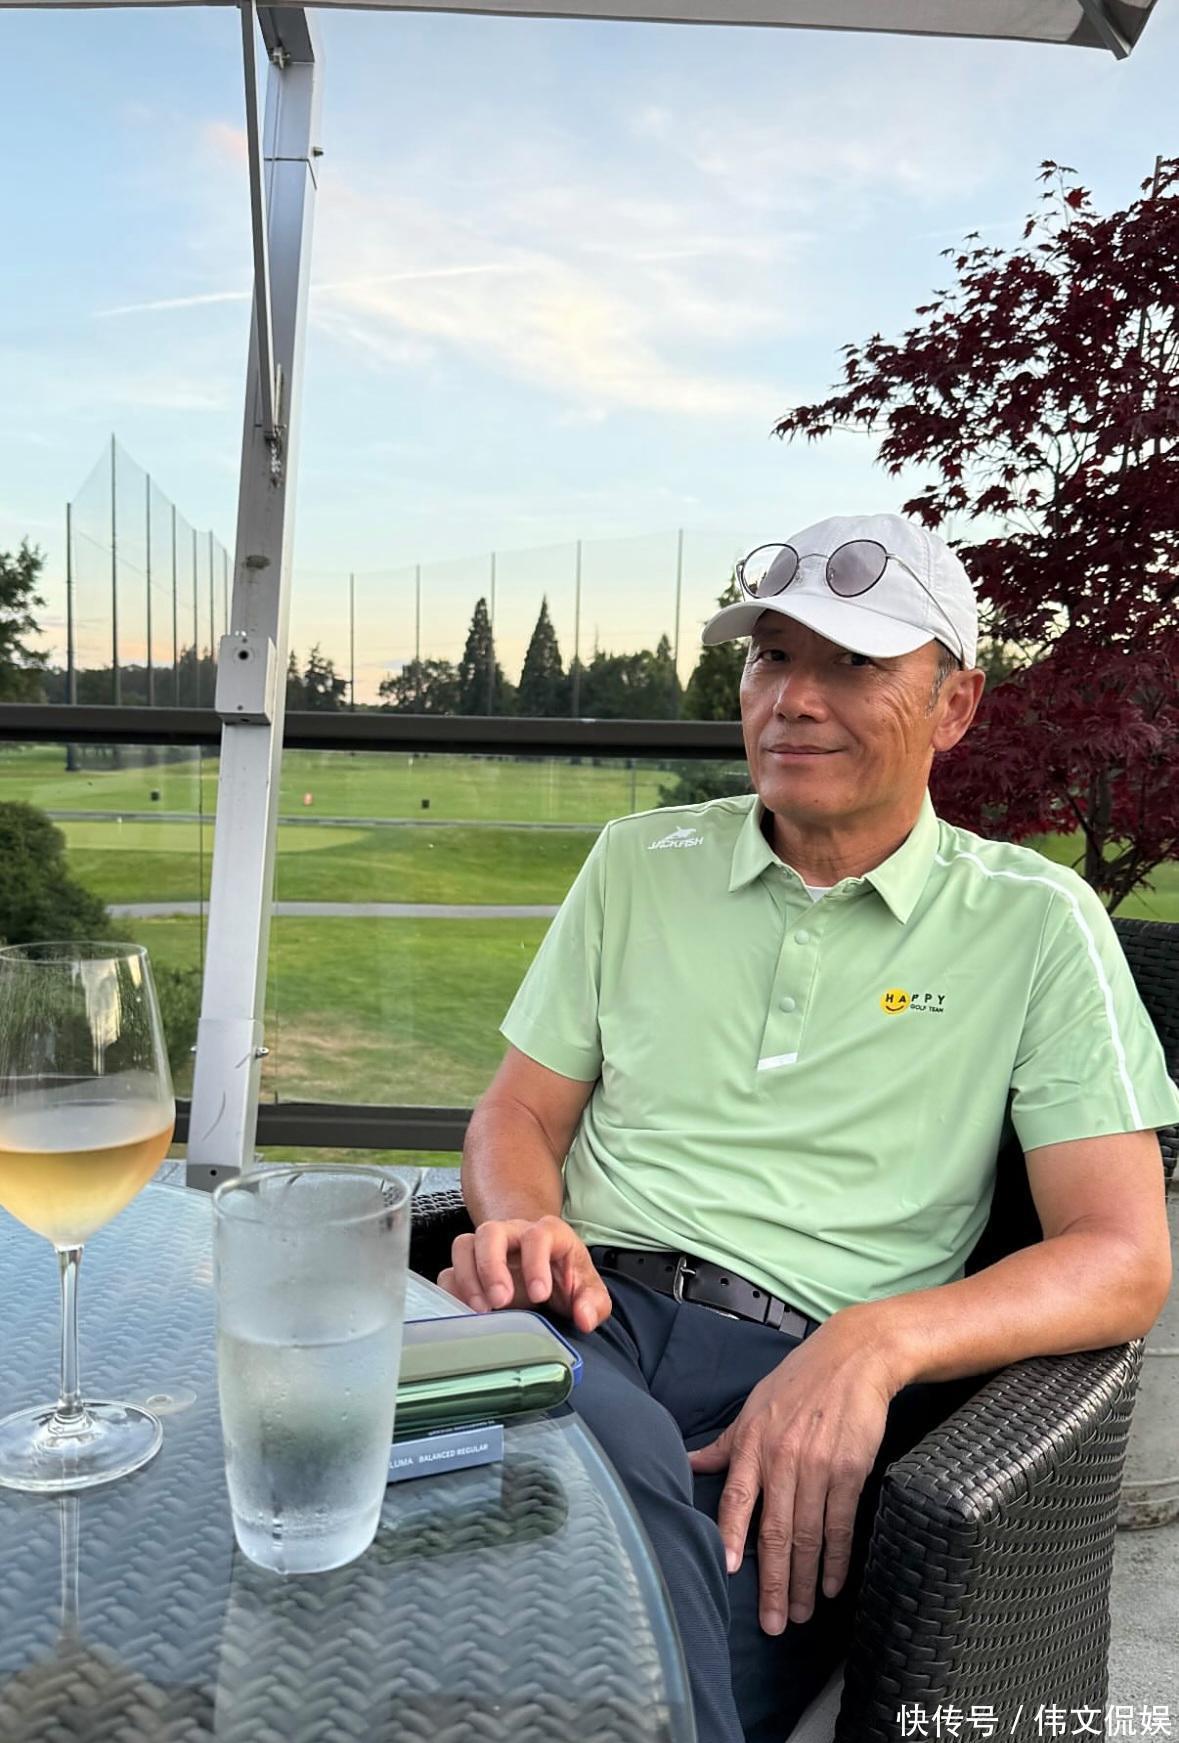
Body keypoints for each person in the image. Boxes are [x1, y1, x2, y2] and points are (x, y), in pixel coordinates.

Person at [438, 511, 1179, 1743]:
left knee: (568, 1631)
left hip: (793, 1386)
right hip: (577, 1314)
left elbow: (1123, 1256)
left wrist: (875, 1344)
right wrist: (521, 1218)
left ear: (955, 705)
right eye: (772, 657)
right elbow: (518, 1108)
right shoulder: (639, 863)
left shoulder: (1036, 924)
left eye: (854, 664)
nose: (794, 699)